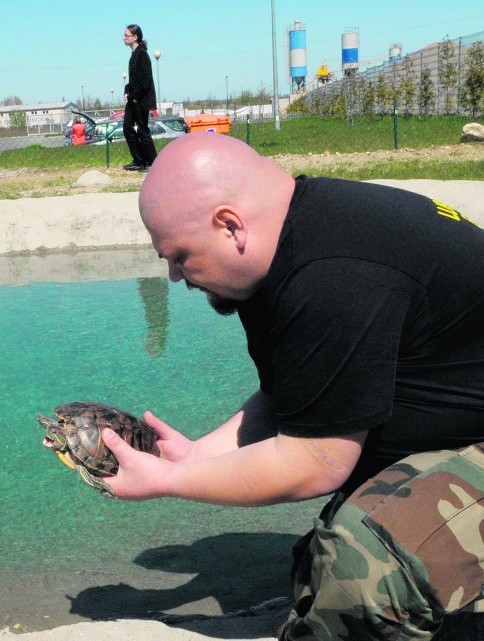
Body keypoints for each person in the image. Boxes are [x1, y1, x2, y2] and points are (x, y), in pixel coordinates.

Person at [101, 133, 484, 640]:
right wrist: (194, 458)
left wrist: (167, 483)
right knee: (319, 566)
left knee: (364, 565)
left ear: (230, 225)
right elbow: (290, 399)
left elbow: (315, 464)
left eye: (179, 256)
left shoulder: (332, 275)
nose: (174, 276)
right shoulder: (284, 246)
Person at [121, 24, 157, 172]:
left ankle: (152, 162)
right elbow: (134, 79)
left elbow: (145, 81)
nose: (123, 38)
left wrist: (135, 97)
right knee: (127, 127)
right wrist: (127, 89)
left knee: (142, 129)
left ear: (135, 37)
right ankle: (139, 159)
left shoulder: (142, 54)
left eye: (126, 35)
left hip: (141, 100)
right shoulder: (133, 55)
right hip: (133, 99)